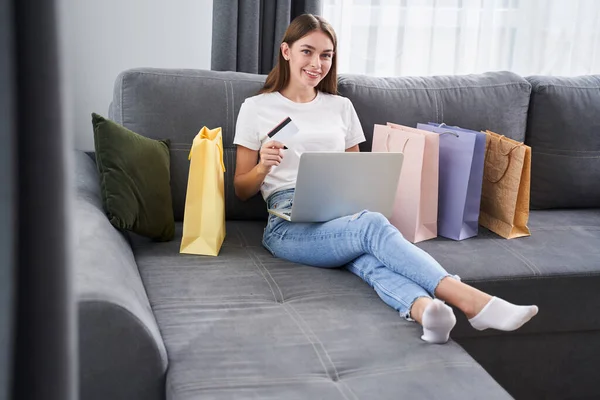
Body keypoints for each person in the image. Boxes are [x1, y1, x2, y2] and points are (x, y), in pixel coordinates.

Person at [232, 14, 538, 344]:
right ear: (286, 51)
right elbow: (241, 189)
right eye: (307, 51)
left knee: (368, 257)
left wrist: (363, 197)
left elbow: (358, 172)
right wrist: (263, 166)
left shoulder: (341, 107)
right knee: (371, 225)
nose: (316, 63)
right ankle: (472, 301)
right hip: (287, 225)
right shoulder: (257, 107)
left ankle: (427, 313)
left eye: (326, 55)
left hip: (339, 214)